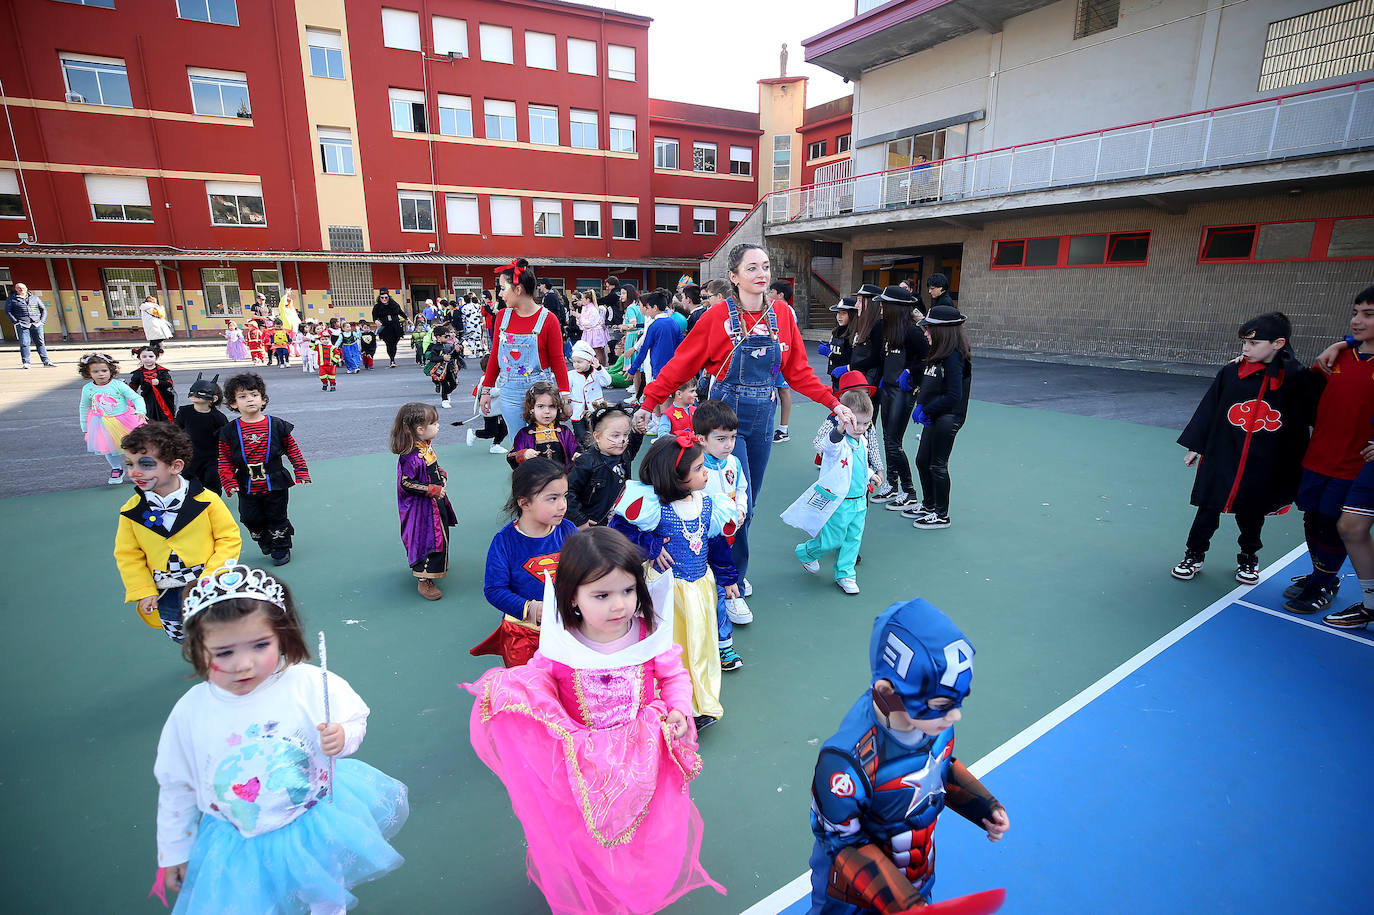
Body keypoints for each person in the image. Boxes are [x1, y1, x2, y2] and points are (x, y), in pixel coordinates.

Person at [461, 527, 722, 915]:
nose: (619, 605)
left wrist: (679, 709)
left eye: (628, 591)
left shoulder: (649, 634)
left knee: (645, 826)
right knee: (584, 830)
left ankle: (632, 881)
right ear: (573, 599)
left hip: (641, 756)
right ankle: (595, 884)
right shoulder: (561, 642)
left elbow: (673, 675)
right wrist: (514, 696)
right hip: (582, 762)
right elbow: (539, 679)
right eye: (602, 595)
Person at [152, 562, 408, 912]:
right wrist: (175, 850)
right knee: (251, 900)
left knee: (323, 887)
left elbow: (353, 717)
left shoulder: (306, 683)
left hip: (309, 820)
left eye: (260, 645)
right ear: (198, 650)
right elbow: (176, 783)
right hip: (235, 837)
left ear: (282, 637)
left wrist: (342, 736)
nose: (244, 664)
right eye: (224, 652)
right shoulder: (191, 710)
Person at [634, 243, 857, 592]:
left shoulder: (782, 314)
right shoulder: (715, 317)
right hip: (723, 419)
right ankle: (728, 580)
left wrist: (834, 403)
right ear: (734, 276)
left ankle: (726, 572)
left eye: (765, 267)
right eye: (751, 268)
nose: (761, 274)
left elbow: (797, 371)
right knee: (733, 502)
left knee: (746, 503)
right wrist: (650, 402)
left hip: (763, 417)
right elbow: (681, 364)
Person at [808, 597, 1008, 913]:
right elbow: (842, 843)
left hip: (917, 884)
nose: (955, 716)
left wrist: (983, 806)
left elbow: (940, 769)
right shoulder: (844, 763)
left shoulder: (934, 725)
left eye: (958, 702)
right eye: (942, 705)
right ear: (889, 693)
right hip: (854, 903)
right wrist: (905, 904)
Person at [1172, 312, 1319, 584]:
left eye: (1253, 344)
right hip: (1223, 454)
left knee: (1251, 514)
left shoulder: (1296, 379)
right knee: (1208, 508)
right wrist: (1197, 445)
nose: (1245, 349)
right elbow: (1210, 408)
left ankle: (1249, 558)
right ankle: (1194, 554)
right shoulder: (1231, 372)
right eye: (1244, 343)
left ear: (1278, 343)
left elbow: (1311, 416)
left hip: (1263, 461)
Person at [611, 434, 739, 731]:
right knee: (667, 645)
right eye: (697, 469)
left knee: (700, 644)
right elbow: (620, 531)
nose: (705, 472)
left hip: (699, 590)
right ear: (675, 477)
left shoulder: (709, 505)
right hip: (665, 590)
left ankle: (699, 702)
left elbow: (717, 543)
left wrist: (729, 576)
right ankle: (663, 703)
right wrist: (651, 545)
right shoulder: (651, 506)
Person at [1281, 286, 1374, 619]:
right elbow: (1300, 385)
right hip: (1318, 455)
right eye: (1356, 312)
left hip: (1354, 463)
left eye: (1369, 314)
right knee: (1312, 515)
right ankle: (1322, 575)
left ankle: (1323, 582)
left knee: (1331, 521)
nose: (1357, 320)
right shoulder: (1338, 357)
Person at [113, 422, 241, 642]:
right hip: (167, 592)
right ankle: (198, 655)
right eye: (129, 463)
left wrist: (213, 574)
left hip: (208, 585)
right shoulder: (131, 510)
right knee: (181, 635)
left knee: (221, 630)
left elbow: (228, 538)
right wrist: (143, 590)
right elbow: (128, 554)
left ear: (175, 466)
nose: (134, 472)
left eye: (145, 464)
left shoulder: (206, 500)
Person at [480, 458, 579, 666]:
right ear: (525, 503)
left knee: (566, 686)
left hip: (566, 628)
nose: (562, 505)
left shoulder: (568, 530)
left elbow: (587, 570)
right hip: (522, 634)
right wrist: (531, 609)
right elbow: (494, 589)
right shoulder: (505, 541)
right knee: (528, 691)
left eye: (564, 496)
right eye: (552, 498)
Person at [785, 387, 880, 595]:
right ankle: (806, 552)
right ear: (844, 419)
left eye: (866, 423)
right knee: (833, 540)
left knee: (853, 539)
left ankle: (845, 573)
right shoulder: (838, 442)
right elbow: (829, 446)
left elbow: (862, 464)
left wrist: (871, 474)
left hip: (859, 501)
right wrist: (839, 429)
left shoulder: (862, 441)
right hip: (839, 502)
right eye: (856, 422)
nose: (861, 428)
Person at [217, 372, 311, 566]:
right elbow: (225, 459)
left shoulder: (277, 425)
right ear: (233, 404)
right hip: (246, 482)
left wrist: (301, 470)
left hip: (275, 480)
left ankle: (281, 547)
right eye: (242, 396)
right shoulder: (228, 431)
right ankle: (263, 538)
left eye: (254, 394)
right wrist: (228, 481)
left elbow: (292, 449)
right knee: (250, 518)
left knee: (276, 515)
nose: (249, 399)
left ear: (263, 399)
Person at [478, 259, 571, 438]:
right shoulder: (502, 317)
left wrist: (566, 397)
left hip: (541, 395)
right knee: (519, 445)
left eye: (503, 288)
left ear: (518, 289)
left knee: (544, 444)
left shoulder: (548, 319)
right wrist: (486, 390)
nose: (500, 294)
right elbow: (495, 356)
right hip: (509, 394)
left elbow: (558, 361)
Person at [694, 399, 751, 666]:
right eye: (721, 438)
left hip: (724, 540)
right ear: (701, 439)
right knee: (700, 592)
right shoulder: (693, 466)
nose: (728, 444)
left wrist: (740, 508)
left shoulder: (734, 463)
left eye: (732, 438)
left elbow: (741, 489)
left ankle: (723, 645)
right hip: (696, 542)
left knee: (718, 589)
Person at [905, 304, 972, 530]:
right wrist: (922, 403)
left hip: (948, 417)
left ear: (942, 331)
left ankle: (941, 515)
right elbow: (931, 383)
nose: (925, 333)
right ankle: (929, 504)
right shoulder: (938, 354)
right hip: (936, 414)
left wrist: (928, 409)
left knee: (938, 465)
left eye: (929, 329)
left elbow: (954, 396)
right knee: (922, 461)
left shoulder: (954, 357)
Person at [391, 402, 458, 601]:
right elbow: (406, 483)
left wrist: (441, 475)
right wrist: (432, 489)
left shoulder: (425, 447)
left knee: (441, 535)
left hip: (435, 504)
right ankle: (424, 579)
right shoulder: (410, 457)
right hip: (422, 510)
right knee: (427, 540)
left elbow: (432, 469)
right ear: (420, 429)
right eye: (434, 423)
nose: (438, 426)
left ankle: (436, 567)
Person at [872, 285, 929, 512]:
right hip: (888, 389)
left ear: (897, 307)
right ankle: (892, 484)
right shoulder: (887, 329)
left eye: (885, 303)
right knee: (887, 438)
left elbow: (926, 359)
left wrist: (910, 373)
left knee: (894, 441)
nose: (882, 306)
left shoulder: (913, 331)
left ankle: (909, 491)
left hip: (903, 392)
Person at [565, 405, 644, 528]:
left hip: (619, 518)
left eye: (625, 434)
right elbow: (569, 491)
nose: (622, 441)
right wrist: (579, 519)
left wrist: (637, 434)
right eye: (615, 436)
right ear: (597, 437)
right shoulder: (587, 462)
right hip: (595, 522)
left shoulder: (624, 454)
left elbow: (632, 448)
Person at [78, 352, 147, 484]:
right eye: (95, 371)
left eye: (104, 370)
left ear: (111, 370)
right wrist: (85, 426)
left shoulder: (118, 385)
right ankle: (116, 468)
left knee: (133, 446)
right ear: (88, 373)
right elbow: (84, 406)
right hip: (101, 422)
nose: (101, 374)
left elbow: (136, 398)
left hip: (125, 420)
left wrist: (140, 411)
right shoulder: (88, 389)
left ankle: (138, 467)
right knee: (106, 447)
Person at [174, 373, 229, 495]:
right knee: (189, 481)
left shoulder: (218, 418)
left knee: (211, 481)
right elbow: (175, 431)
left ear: (213, 399)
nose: (194, 394)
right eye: (192, 391)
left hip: (211, 458)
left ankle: (213, 503)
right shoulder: (184, 412)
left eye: (201, 392)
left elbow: (225, 438)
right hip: (190, 456)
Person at [507, 380, 579, 471]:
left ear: (558, 408)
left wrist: (578, 455)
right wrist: (524, 454)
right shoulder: (524, 434)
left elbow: (576, 449)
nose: (547, 411)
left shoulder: (564, 432)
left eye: (552, 406)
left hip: (561, 480)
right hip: (536, 481)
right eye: (541, 406)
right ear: (531, 409)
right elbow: (511, 457)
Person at [628, 289, 682, 388]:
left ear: (655, 308)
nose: (647, 312)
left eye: (648, 308)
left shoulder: (654, 326)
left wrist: (633, 369)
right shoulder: (674, 323)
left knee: (659, 399)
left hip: (659, 368)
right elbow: (682, 346)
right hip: (674, 368)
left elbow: (644, 349)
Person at [768, 280, 796, 442]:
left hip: (783, 359)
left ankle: (783, 428)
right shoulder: (772, 309)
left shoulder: (787, 311)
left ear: (780, 295)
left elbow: (788, 338)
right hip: (774, 359)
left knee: (783, 391)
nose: (769, 295)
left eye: (771, 292)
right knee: (773, 390)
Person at [567, 340, 611, 442]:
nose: (576, 365)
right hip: (578, 411)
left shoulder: (597, 372)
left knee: (596, 433)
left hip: (595, 410)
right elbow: (566, 390)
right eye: (574, 362)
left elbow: (607, 382)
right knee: (580, 436)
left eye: (579, 362)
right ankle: (581, 453)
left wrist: (600, 368)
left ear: (589, 361)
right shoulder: (571, 375)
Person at [6, 282, 56, 368]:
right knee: (25, 343)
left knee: (40, 343)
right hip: (22, 324)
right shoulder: (12, 299)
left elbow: (43, 309)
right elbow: (8, 311)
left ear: (26, 288)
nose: (22, 290)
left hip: (36, 323)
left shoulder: (34, 298)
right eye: (19, 288)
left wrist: (42, 322)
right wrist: (16, 322)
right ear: (16, 289)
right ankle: (26, 362)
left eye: (23, 288)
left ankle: (46, 361)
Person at [129, 345, 177, 424]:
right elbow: (132, 387)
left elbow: (169, 383)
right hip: (147, 400)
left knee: (165, 420)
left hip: (164, 400)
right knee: (150, 418)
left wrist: (159, 382)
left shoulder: (162, 371)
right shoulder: (138, 373)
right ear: (139, 358)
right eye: (144, 356)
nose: (148, 359)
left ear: (156, 358)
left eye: (151, 356)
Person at [423, 324, 462, 409]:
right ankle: (444, 400)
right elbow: (432, 357)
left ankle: (447, 394)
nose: (448, 338)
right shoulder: (435, 347)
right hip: (439, 370)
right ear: (438, 337)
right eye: (446, 336)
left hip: (449, 368)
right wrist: (442, 358)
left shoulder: (450, 345)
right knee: (445, 385)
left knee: (454, 384)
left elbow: (454, 356)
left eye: (449, 335)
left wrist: (457, 351)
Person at [372, 287, 407, 367]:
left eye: (386, 297)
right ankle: (392, 360)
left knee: (394, 344)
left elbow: (401, 313)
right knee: (388, 344)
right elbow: (374, 317)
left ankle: (393, 357)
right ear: (379, 298)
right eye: (382, 297)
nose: (384, 299)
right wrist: (376, 321)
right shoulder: (377, 307)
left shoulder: (394, 304)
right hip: (385, 328)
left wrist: (408, 320)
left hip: (395, 327)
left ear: (389, 297)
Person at [577, 289, 609, 364]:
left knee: (597, 351)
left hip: (595, 331)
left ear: (588, 299)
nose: (581, 300)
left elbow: (591, 322)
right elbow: (583, 323)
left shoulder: (593, 309)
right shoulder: (585, 308)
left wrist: (580, 318)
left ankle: (600, 367)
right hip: (588, 331)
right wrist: (579, 319)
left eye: (582, 298)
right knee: (590, 351)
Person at [312, 326, 341, 392]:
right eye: (322, 339)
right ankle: (324, 383)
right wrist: (313, 341)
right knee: (322, 376)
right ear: (320, 340)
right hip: (322, 365)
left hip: (331, 365)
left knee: (332, 377)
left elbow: (337, 354)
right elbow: (311, 347)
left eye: (326, 339)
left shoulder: (332, 347)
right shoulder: (319, 347)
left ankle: (332, 385)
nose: (324, 341)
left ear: (329, 339)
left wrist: (334, 361)